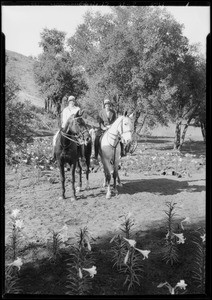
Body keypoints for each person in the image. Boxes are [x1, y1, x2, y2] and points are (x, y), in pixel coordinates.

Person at [92, 98, 119, 165]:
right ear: (104, 105)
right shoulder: (101, 112)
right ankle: (95, 155)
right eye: (106, 104)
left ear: (110, 105)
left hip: (111, 128)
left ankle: (122, 152)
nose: (107, 106)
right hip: (103, 128)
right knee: (96, 138)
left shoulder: (113, 112)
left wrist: (111, 126)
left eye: (108, 104)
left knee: (119, 137)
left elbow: (115, 121)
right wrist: (103, 127)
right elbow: (99, 121)